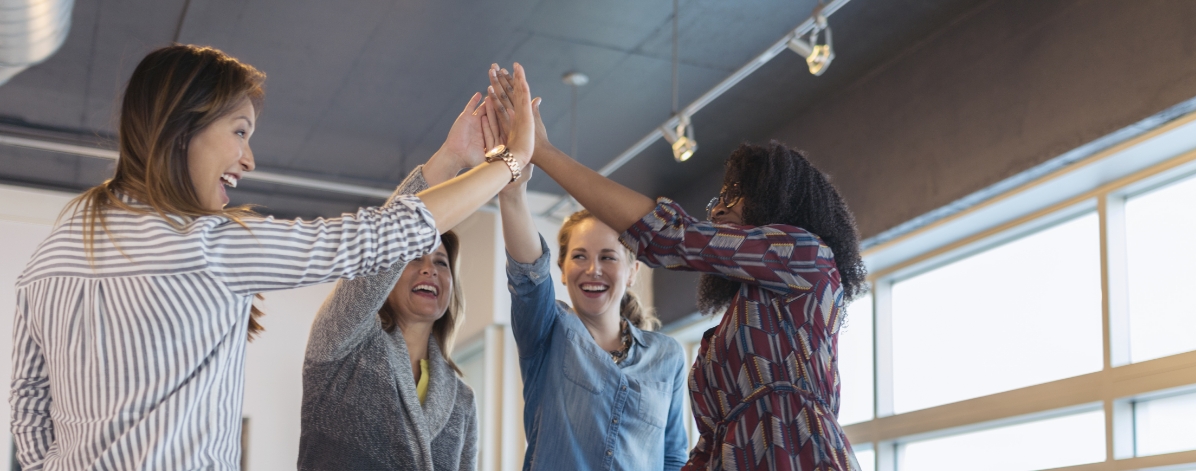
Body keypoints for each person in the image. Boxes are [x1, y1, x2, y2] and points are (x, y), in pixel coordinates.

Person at [9, 45, 535, 469]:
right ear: (184, 126)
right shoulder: (206, 247)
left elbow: (30, 414)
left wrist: (449, 161)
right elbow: (371, 240)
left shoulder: (49, 257)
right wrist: (507, 164)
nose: (249, 158)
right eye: (239, 131)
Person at [488, 67, 865, 470]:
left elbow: (667, 237)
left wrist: (543, 151)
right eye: (579, 256)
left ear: (776, 199)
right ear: (562, 268)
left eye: (734, 195)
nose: (718, 208)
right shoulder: (728, 331)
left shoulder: (807, 258)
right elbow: (707, 449)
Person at [487, 66, 689, 470]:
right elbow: (528, 277)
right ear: (562, 269)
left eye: (608, 257)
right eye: (579, 256)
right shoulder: (549, 332)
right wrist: (513, 191)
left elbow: (673, 458)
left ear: (632, 270)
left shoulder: (667, 357)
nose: (592, 269)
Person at [298, 163, 478, 471]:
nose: (430, 269)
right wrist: (450, 159)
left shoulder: (462, 399)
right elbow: (382, 247)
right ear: (389, 272)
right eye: (415, 257)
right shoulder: (342, 347)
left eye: (441, 262)